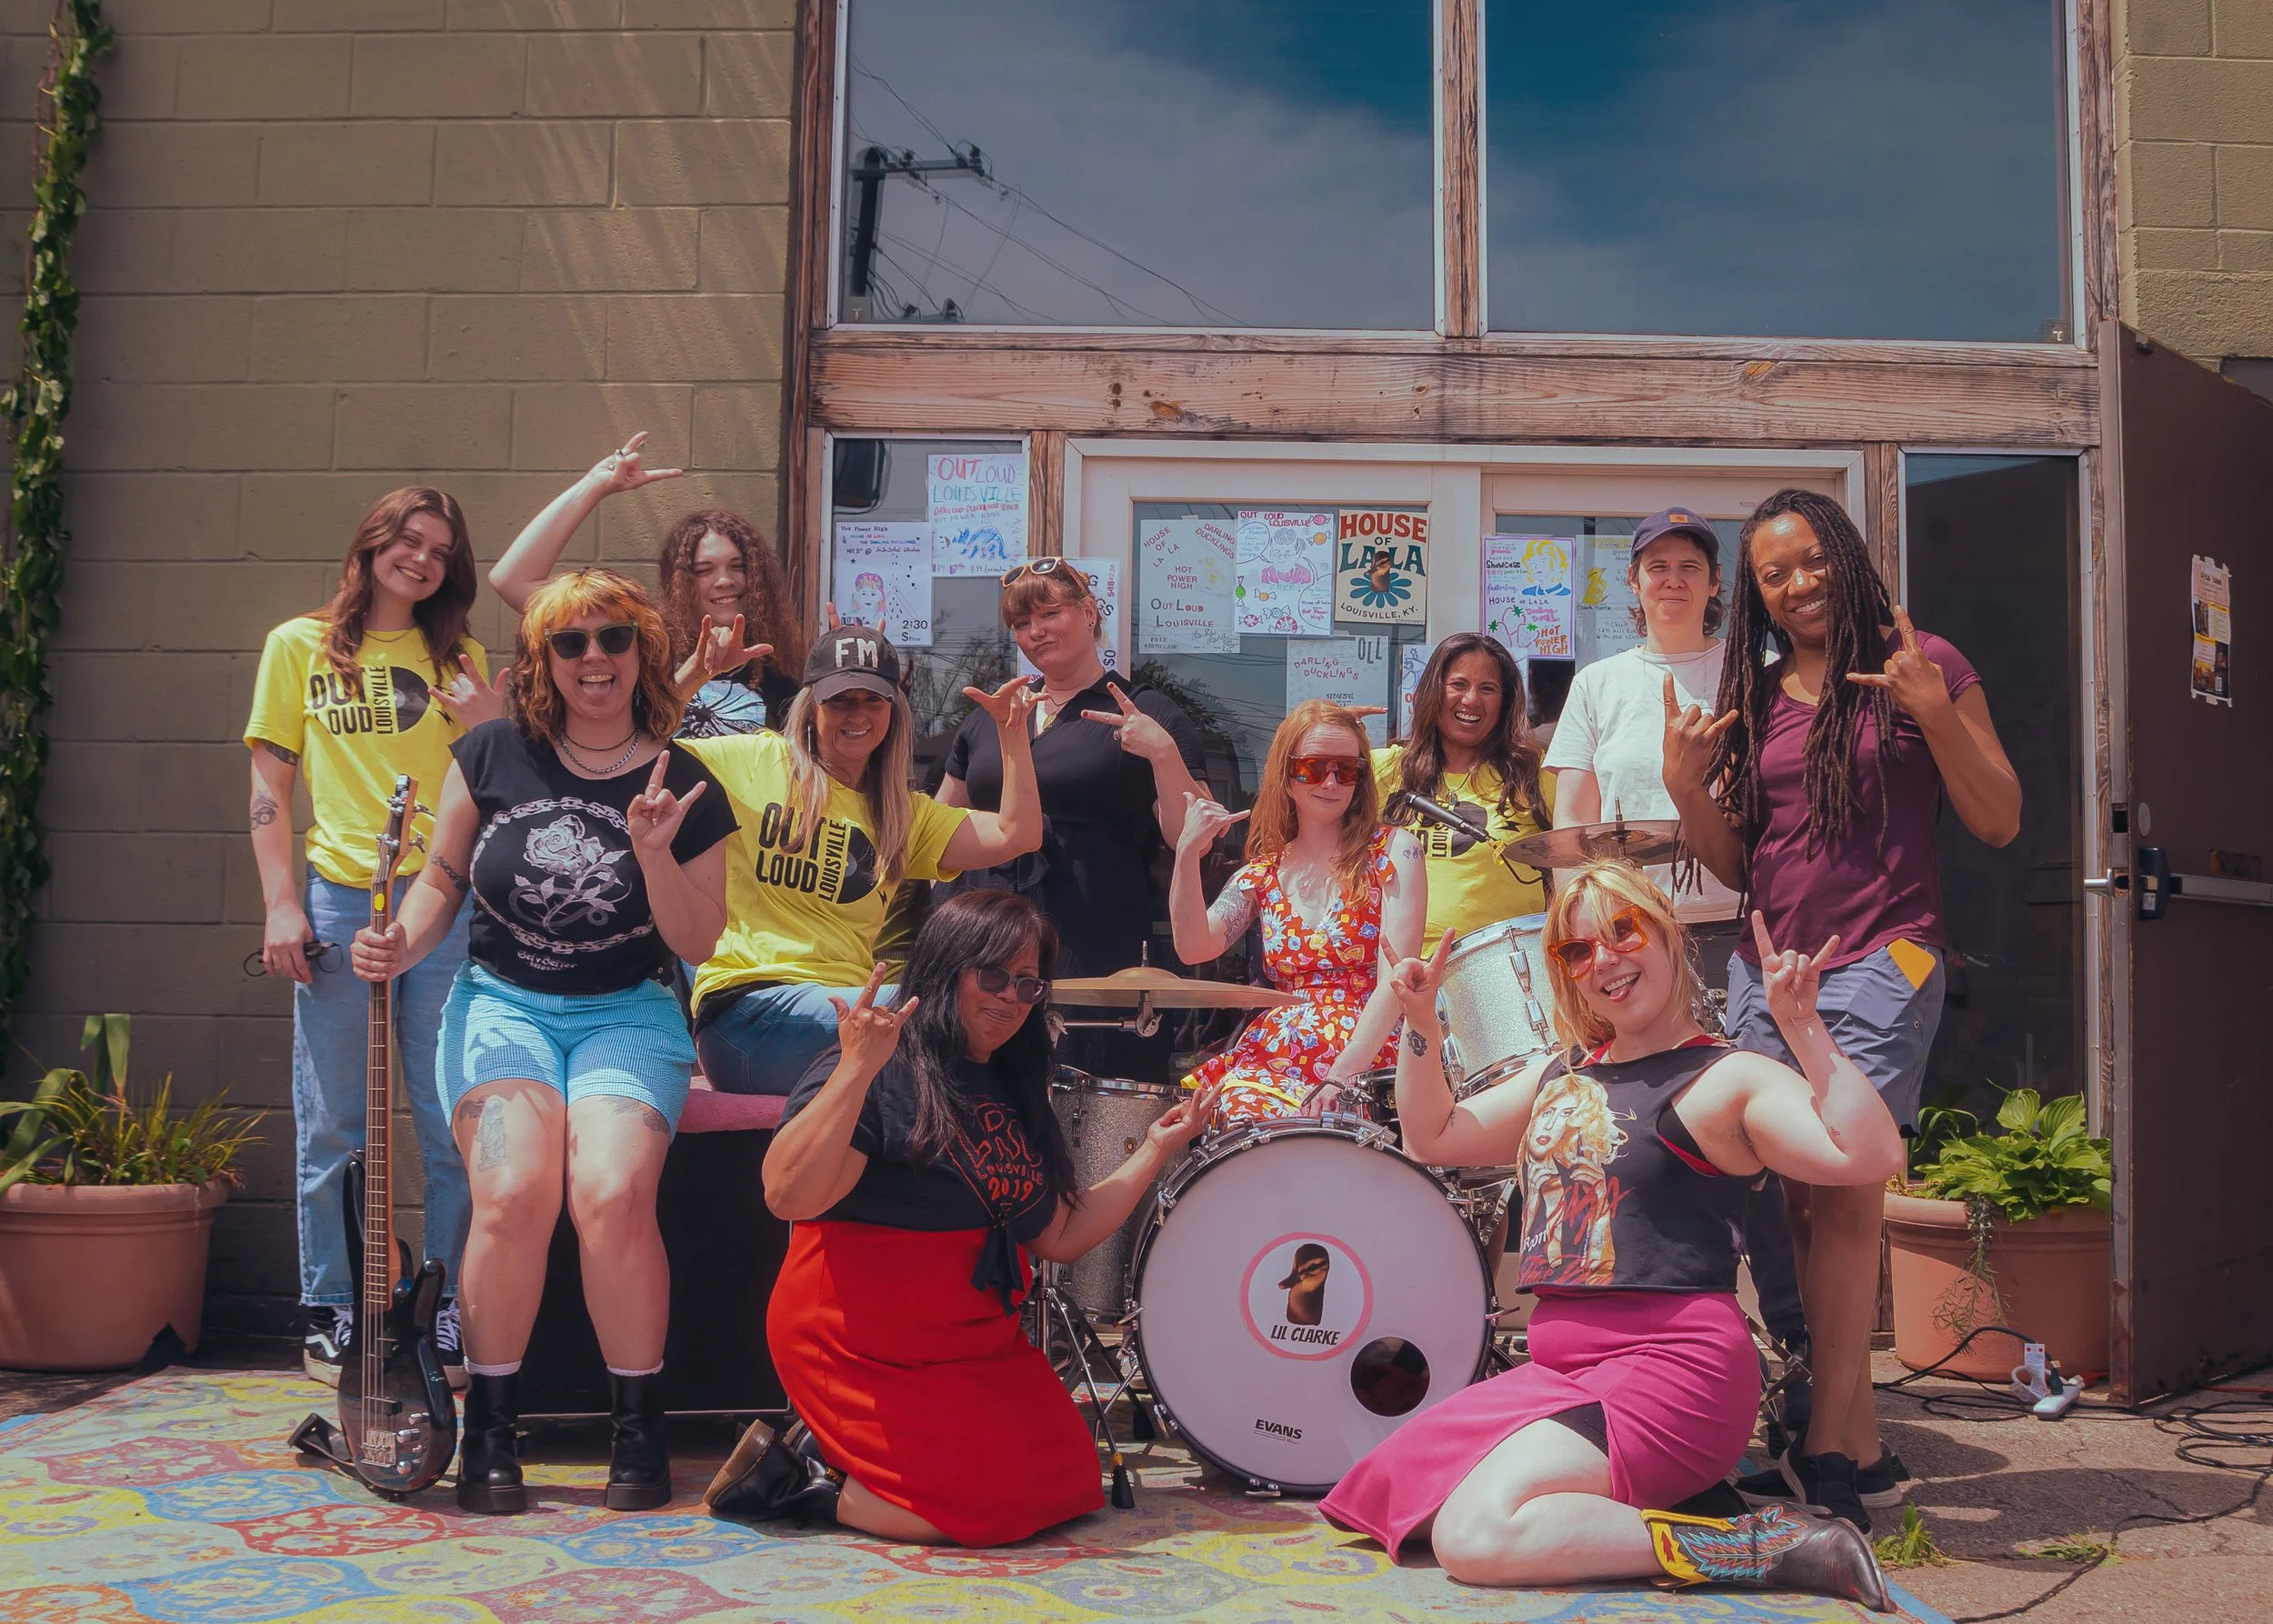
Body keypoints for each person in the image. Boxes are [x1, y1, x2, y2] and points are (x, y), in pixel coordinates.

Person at [1319, 862, 1898, 1609]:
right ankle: (1671, 1505)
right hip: (1562, 1375)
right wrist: (1424, 1026)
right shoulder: (1562, 1071)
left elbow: (1868, 1156)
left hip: (1674, 1373)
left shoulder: (1727, 1077)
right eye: (1579, 950)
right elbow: (1435, 1135)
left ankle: (1758, 1544)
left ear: (1668, 934)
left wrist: (1802, 1028)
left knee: (1477, 1534)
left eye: (1625, 931)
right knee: (1393, 1489)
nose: (1606, 960)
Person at [1663, 487, 2020, 1529]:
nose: (1798, 583)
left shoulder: (1923, 663)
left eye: (1813, 559)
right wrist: (1687, 789)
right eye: (1774, 574)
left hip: (1882, 956)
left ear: (1849, 557)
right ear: (1756, 595)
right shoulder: (1759, 692)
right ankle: (1857, 1444)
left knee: (1849, 1186)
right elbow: (1742, 861)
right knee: (1792, 1200)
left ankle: (1822, 1445)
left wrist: (1932, 711)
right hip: (1770, 967)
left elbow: (1998, 817)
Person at [349, 569, 736, 1516]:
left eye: (613, 638)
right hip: (502, 1006)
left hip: (627, 1012)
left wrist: (653, 853)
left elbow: (698, 940)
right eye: (570, 642)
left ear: (642, 652)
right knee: (513, 1189)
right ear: (543, 660)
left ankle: (637, 1429)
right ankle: (491, 1428)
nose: (593, 658)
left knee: (611, 1192)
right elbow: (441, 879)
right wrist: (402, 942)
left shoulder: (687, 780)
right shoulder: (491, 753)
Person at [702, 891, 1224, 1544]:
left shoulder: (1013, 1084)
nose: (1011, 997)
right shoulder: (876, 1062)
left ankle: (840, 1463)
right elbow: (787, 1195)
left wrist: (1153, 1149)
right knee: (988, 1506)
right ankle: (799, 1482)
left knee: (1069, 1478)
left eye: (1028, 984)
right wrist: (857, 1069)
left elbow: (1061, 1234)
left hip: (968, 1342)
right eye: (994, 975)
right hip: (857, 1342)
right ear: (948, 967)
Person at [245, 486, 503, 1389]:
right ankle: (335, 1307)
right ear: (371, 544)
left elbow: (487, 778)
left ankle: (446, 1305)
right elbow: (270, 787)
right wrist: (283, 904)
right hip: (338, 900)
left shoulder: (460, 656)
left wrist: (488, 724)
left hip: (440, 904)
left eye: (440, 550)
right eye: (409, 541)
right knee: (335, 1119)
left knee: (449, 1116)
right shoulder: (298, 647)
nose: (422, 560)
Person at [683, 626, 1046, 1095]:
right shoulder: (756, 758)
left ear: (893, 710)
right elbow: (636, 746)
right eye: (840, 700)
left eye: (873, 700)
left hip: (854, 1016)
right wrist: (695, 674)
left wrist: (1011, 734)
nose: (857, 715)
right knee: (939, 1008)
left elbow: (1019, 834)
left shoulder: (902, 814)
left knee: (989, 1010)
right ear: (812, 706)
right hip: (747, 1013)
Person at [936, 558, 1211, 1079]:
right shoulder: (993, 715)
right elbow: (938, 830)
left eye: (1049, 613)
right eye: (1022, 623)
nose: (1035, 631)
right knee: (967, 1092)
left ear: (1088, 613)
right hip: (979, 948)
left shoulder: (1145, 710)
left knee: (1080, 1101)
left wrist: (1163, 753)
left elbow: (1189, 836)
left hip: (1088, 950)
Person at [1170, 700, 1425, 1120]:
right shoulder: (1264, 872)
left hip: (1368, 1053)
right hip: (1279, 1051)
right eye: (1313, 767)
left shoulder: (1395, 851)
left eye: (1346, 770)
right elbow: (1194, 946)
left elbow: (1395, 980)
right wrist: (1186, 854)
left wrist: (1341, 1075)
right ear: (1286, 775)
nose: (1331, 781)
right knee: (1238, 1122)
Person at [489, 432, 804, 737]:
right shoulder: (635, 643)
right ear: (679, 583)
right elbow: (511, 581)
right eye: (703, 571)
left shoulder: (782, 669)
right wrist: (595, 486)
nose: (724, 581)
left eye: (738, 567)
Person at [1546, 508, 1742, 973]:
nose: (1674, 580)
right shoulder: (1596, 683)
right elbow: (1573, 820)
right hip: (1629, 927)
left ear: (1714, 581)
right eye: (1658, 567)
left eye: (1689, 567)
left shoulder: (1757, 670)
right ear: (1634, 580)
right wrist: (1580, 926)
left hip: (1741, 920)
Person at [1374, 631, 1554, 948]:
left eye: (1488, 688)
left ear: (1506, 701)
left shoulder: (1534, 772)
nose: (1471, 700)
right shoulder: (1384, 768)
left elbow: (1582, 854)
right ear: (1433, 690)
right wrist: (1328, 728)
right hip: (1392, 966)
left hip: (1501, 965)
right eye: (1458, 684)